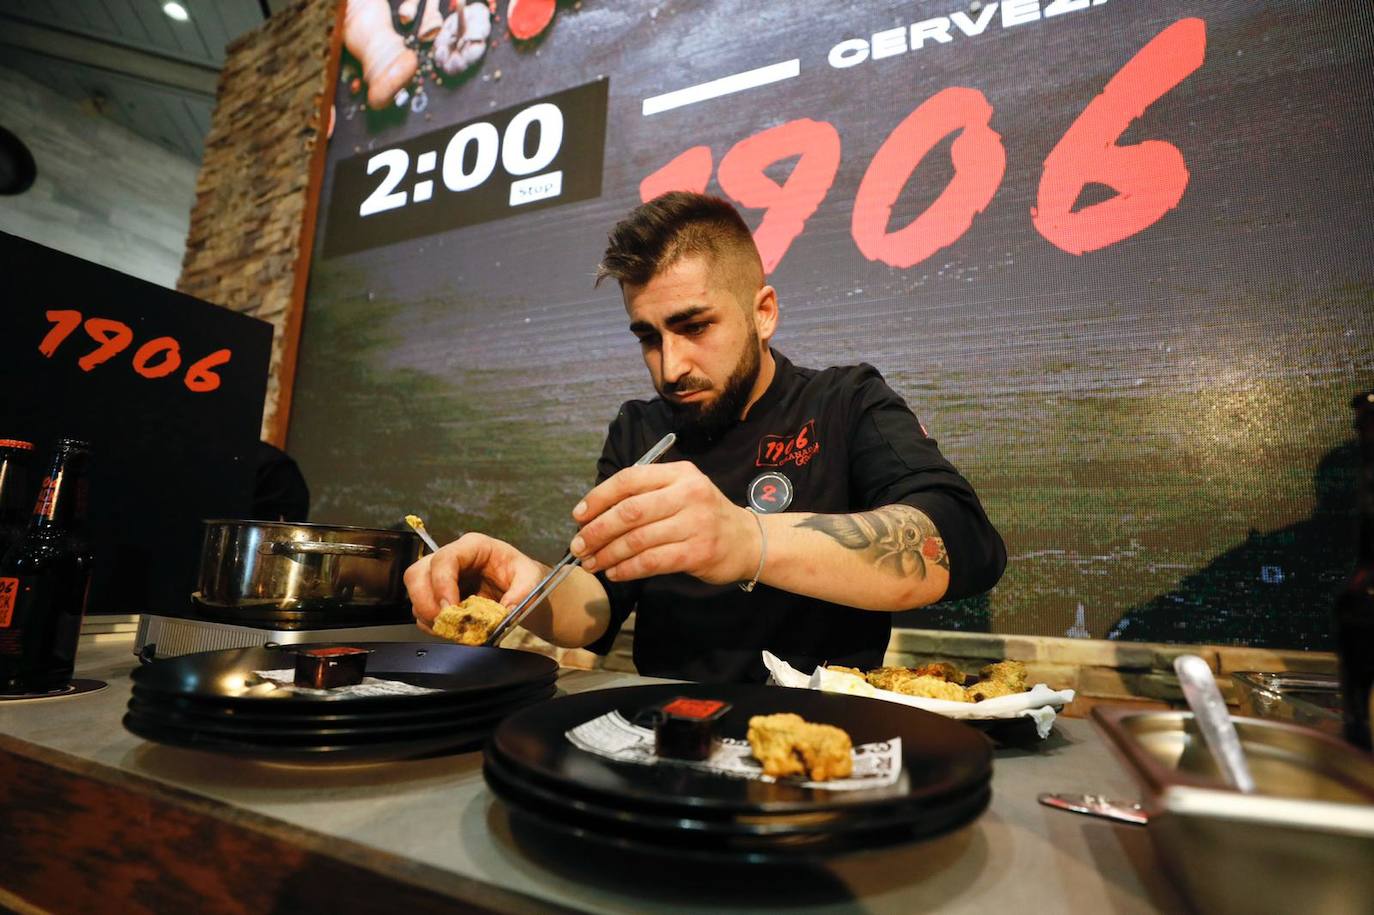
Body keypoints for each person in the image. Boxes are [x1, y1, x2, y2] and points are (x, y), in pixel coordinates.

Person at [405, 192, 1006, 683]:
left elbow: (963, 542)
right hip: (659, 727)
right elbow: (599, 609)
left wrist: (746, 540)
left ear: (763, 312)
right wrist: (526, 586)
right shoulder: (640, 429)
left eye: (695, 327)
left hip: (822, 732)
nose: (670, 367)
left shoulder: (844, 402)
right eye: (649, 337)